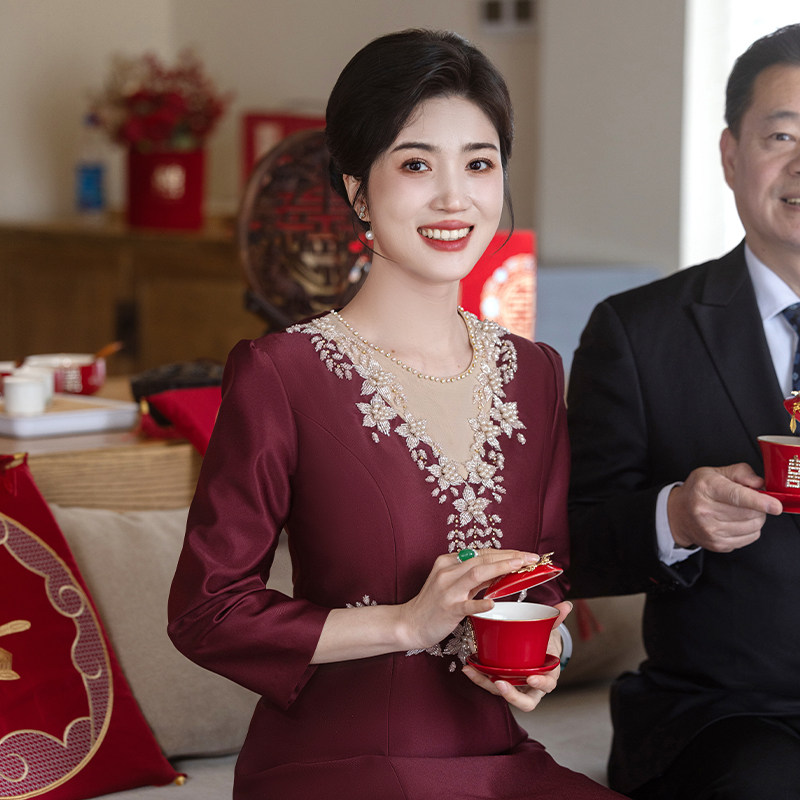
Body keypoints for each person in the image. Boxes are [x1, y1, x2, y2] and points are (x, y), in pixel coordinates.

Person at [167, 28, 623, 800]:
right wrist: (405, 623)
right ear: (356, 191)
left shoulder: (536, 375)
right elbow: (207, 612)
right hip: (339, 765)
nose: (454, 197)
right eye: (416, 164)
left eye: (478, 163)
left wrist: (546, 651)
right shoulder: (282, 373)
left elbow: (543, 579)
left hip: (497, 761)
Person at [567, 23, 800, 800]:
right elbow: (572, 539)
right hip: (721, 716)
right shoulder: (637, 332)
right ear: (732, 156)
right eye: (781, 135)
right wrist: (676, 516)